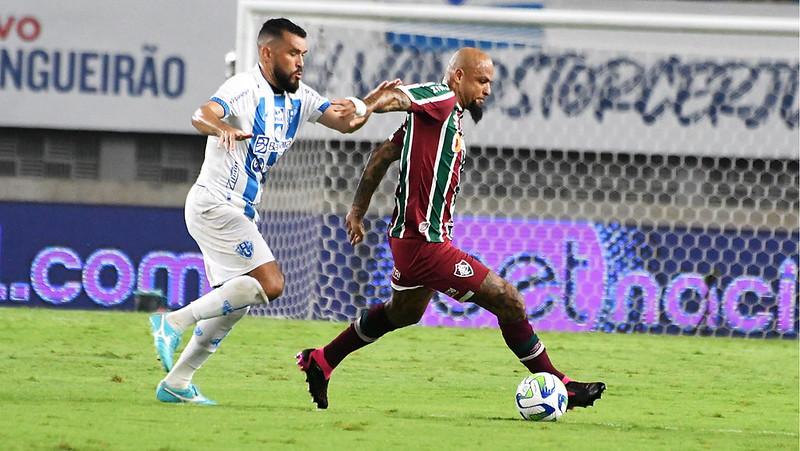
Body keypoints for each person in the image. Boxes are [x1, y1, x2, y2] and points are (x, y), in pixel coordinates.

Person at [297, 47, 606, 410]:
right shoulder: (440, 98)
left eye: (490, 82)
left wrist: (357, 210)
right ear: (458, 76)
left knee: (403, 313)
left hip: (411, 241)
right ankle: (561, 384)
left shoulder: (440, 121)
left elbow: (381, 156)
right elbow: (396, 96)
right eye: (482, 80)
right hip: (426, 244)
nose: (487, 89)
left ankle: (323, 360)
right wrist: (365, 105)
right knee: (509, 300)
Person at [148, 17, 388, 405]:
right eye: (292, 53)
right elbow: (201, 114)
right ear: (267, 52)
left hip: (239, 210)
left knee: (234, 304)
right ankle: (171, 321)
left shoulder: (301, 97)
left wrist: (373, 102)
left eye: (303, 54)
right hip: (215, 204)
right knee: (271, 284)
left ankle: (177, 383)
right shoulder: (245, 87)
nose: (299, 62)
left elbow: (346, 122)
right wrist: (218, 126)